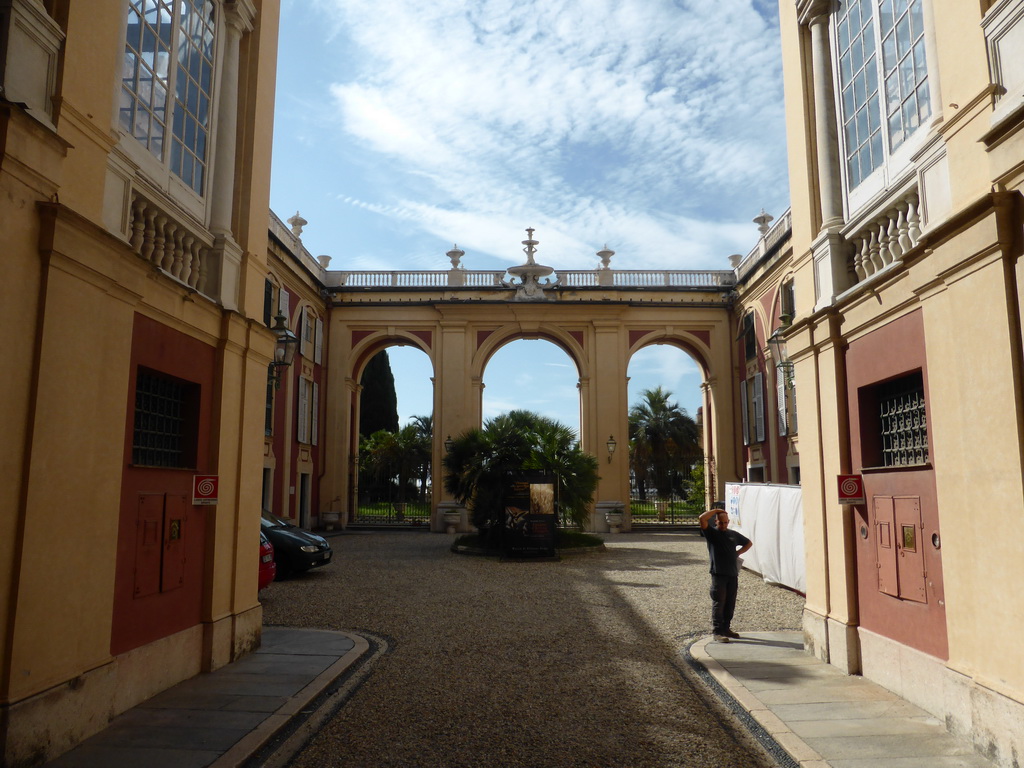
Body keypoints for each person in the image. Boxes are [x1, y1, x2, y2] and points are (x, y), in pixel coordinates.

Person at [699, 502, 752, 642]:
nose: (723, 525)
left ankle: (727, 628)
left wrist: (738, 552)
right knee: (719, 602)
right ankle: (717, 631)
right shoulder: (711, 533)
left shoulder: (732, 534)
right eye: (720, 522)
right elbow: (702, 518)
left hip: (733, 574)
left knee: (730, 603)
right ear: (716, 522)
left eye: (725, 522)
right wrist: (716, 510)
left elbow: (748, 543)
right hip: (719, 574)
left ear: (728, 522)